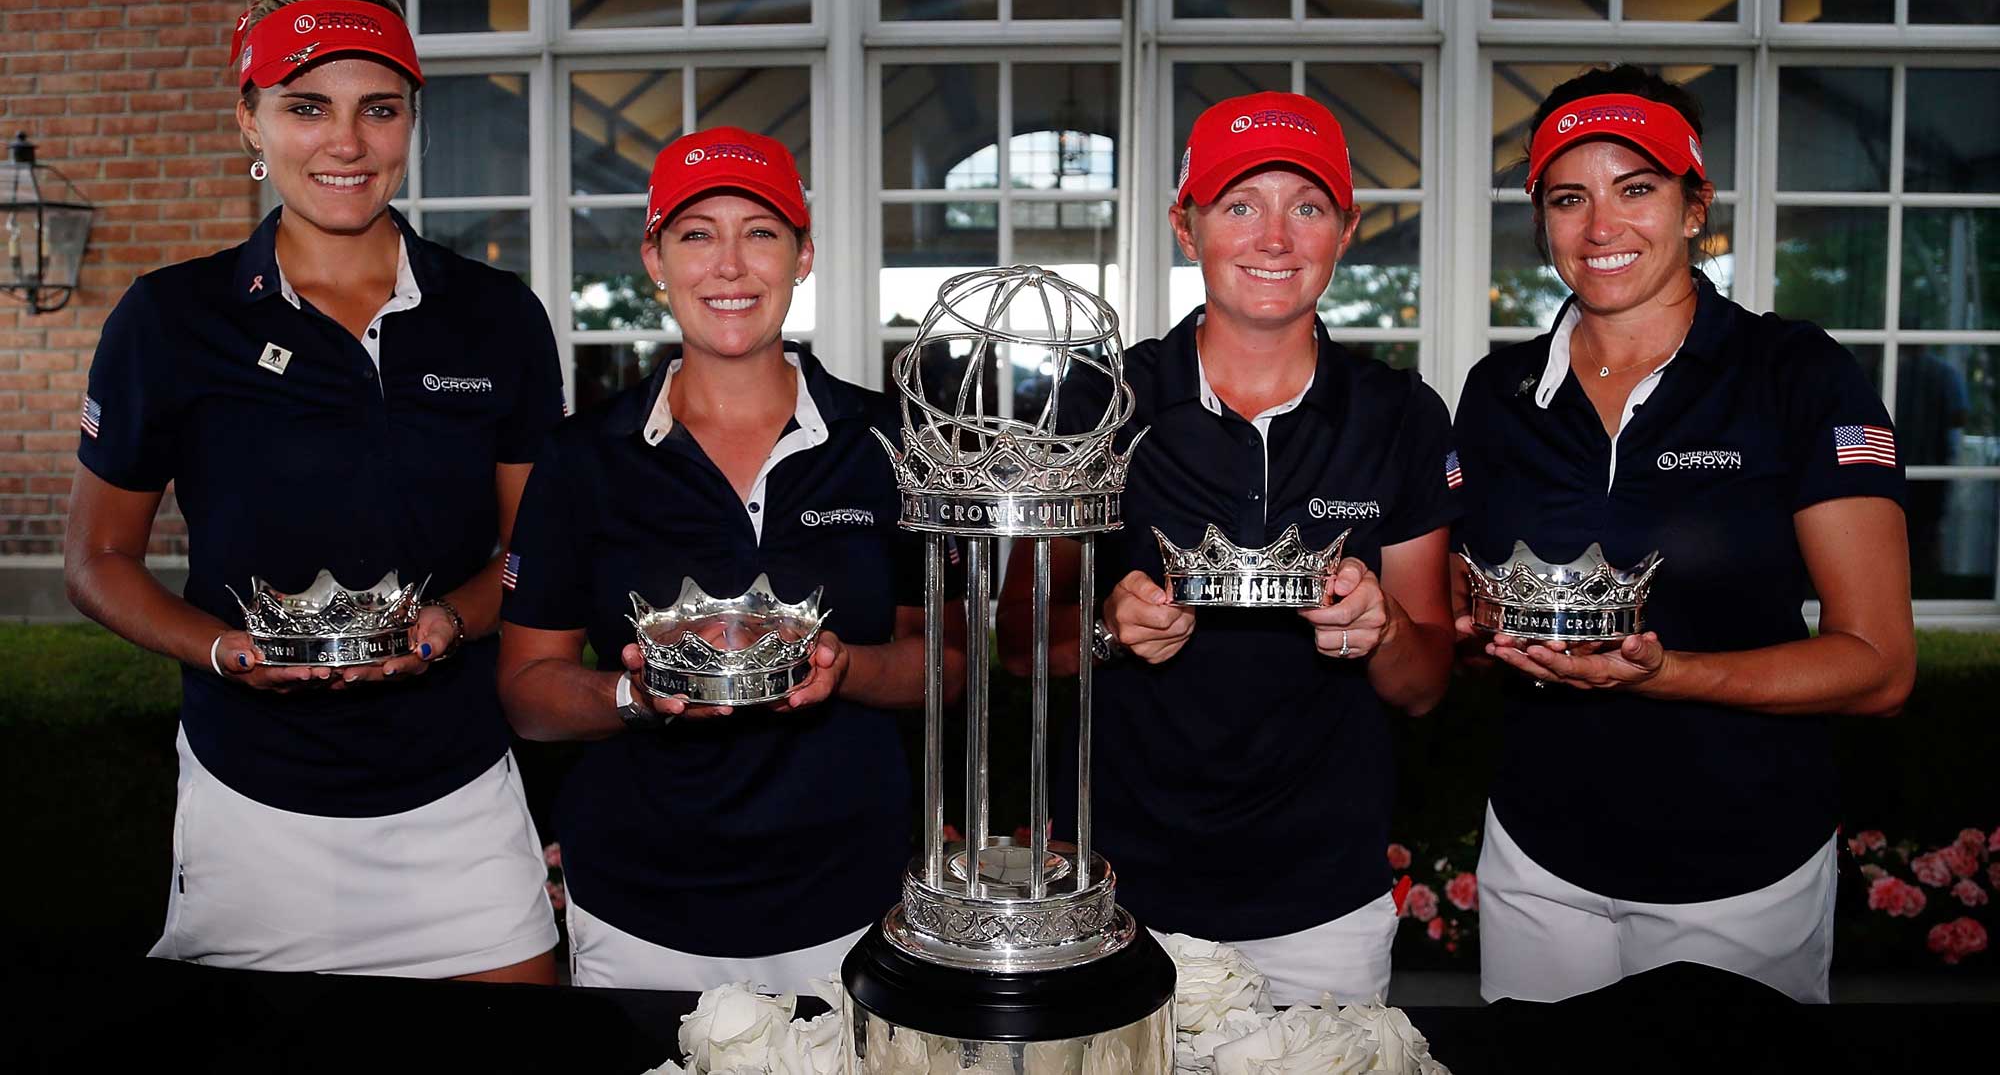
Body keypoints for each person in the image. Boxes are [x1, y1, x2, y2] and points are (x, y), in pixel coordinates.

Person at [65, 0, 563, 981]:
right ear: (250, 119)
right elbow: (96, 559)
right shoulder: (170, 320)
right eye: (307, 107)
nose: (346, 144)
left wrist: (454, 622)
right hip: (252, 795)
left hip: (457, 787)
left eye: (377, 110)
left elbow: (533, 555)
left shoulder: (497, 314)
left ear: (410, 119)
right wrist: (224, 652)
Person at [1452, 65, 1915, 1004]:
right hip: (1538, 860)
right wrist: (1466, 631)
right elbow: (1472, 617)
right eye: (1568, 197)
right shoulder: (1496, 394)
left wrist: (1671, 674)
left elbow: (1879, 666)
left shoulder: (1795, 375)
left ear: (1695, 206)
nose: (1600, 227)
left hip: (1741, 873)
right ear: (1541, 220)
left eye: (1638, 189)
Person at [997, 91, 1458, 1005]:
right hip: (1119, 888)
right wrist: (1104, 630)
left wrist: (1383, 627)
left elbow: (1427, 680)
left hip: (1326, 899)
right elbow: (1012, 642)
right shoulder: (1102, 403)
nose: (1275, 238)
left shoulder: (1399, 413)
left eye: (1308, 206)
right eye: (1241, 204)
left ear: (1346, 228)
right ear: (1186, 224)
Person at [497, 126, 964, 992]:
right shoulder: (583, 458)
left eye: (761, 232)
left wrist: (844, 667)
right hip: (639, 905)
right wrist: (634, 695)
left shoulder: (893, 445)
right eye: (697, 233)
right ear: (656, 259)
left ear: (804, 254)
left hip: (853, 902)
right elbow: (529, 690)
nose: (730, 265)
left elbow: (951, 663)